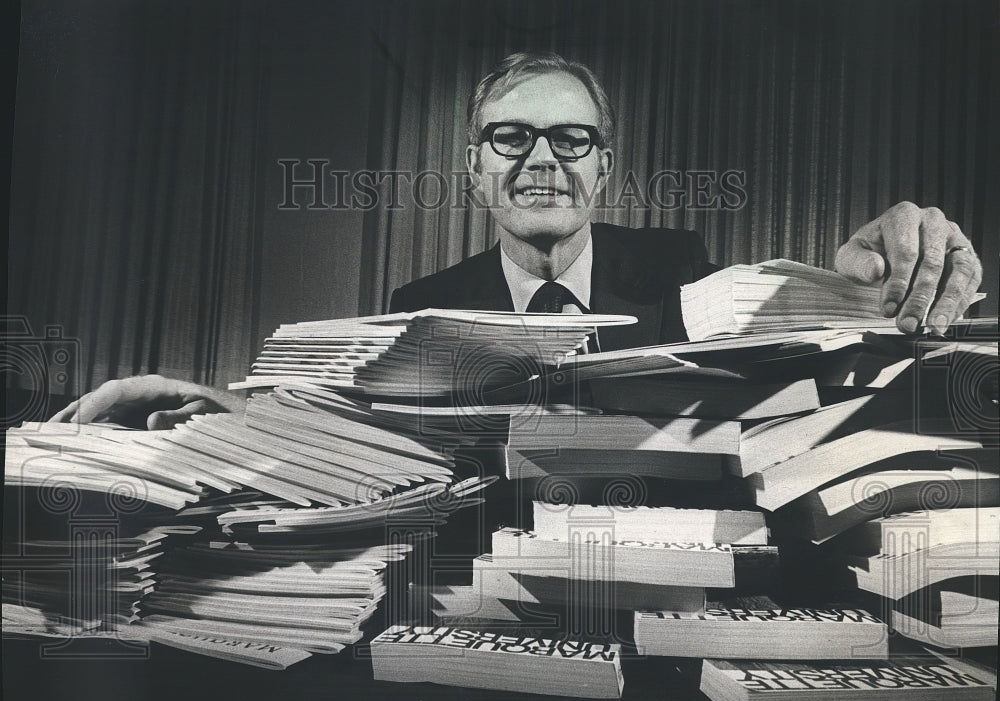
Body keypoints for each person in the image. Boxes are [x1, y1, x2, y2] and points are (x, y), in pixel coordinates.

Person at [52, 51, 983, 428]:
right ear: (475, 170)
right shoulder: (419, 307)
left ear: (603, 168)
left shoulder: (680, 266)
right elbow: (361, 433)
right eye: (512, 136)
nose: (543, 160)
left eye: (571, 138)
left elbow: (770, 353)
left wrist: (861, 278)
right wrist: (210, 400)